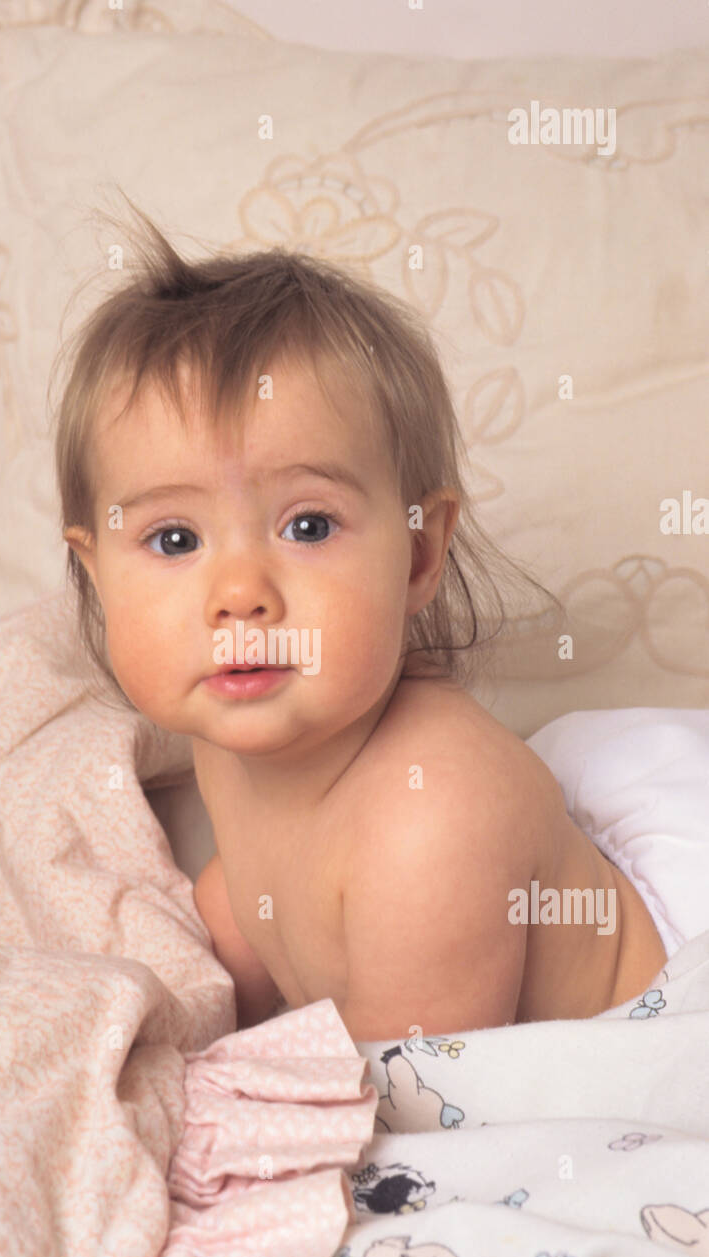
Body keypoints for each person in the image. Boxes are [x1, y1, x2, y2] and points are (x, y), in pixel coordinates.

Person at [57, 202, 667, 1041]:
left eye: (308, 526)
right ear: (97, 577)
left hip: (601, 1058)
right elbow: (259, 891)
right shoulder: (237, 728)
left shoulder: (434, 815)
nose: (239, 594)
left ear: (418, 554)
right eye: (175, 540)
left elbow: (414, 1087)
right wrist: (193, 1000)